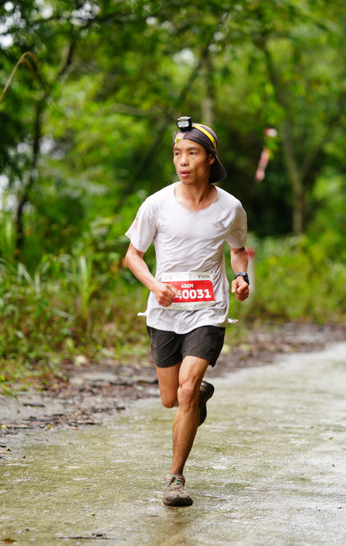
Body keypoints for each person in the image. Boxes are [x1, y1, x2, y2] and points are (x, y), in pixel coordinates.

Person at [125, 117, 250, 507]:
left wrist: (241, 276)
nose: (182, 161)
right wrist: (155, 285)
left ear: (209, 158)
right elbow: (133, 256)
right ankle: (197, 396)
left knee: (186, 388)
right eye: (177, 153)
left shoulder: (230, 208)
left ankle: (175, 478)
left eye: (192, 153)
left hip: (208, 309)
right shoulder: (156, 204)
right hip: (165, 311)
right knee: (170, 398)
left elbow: (238, 249)